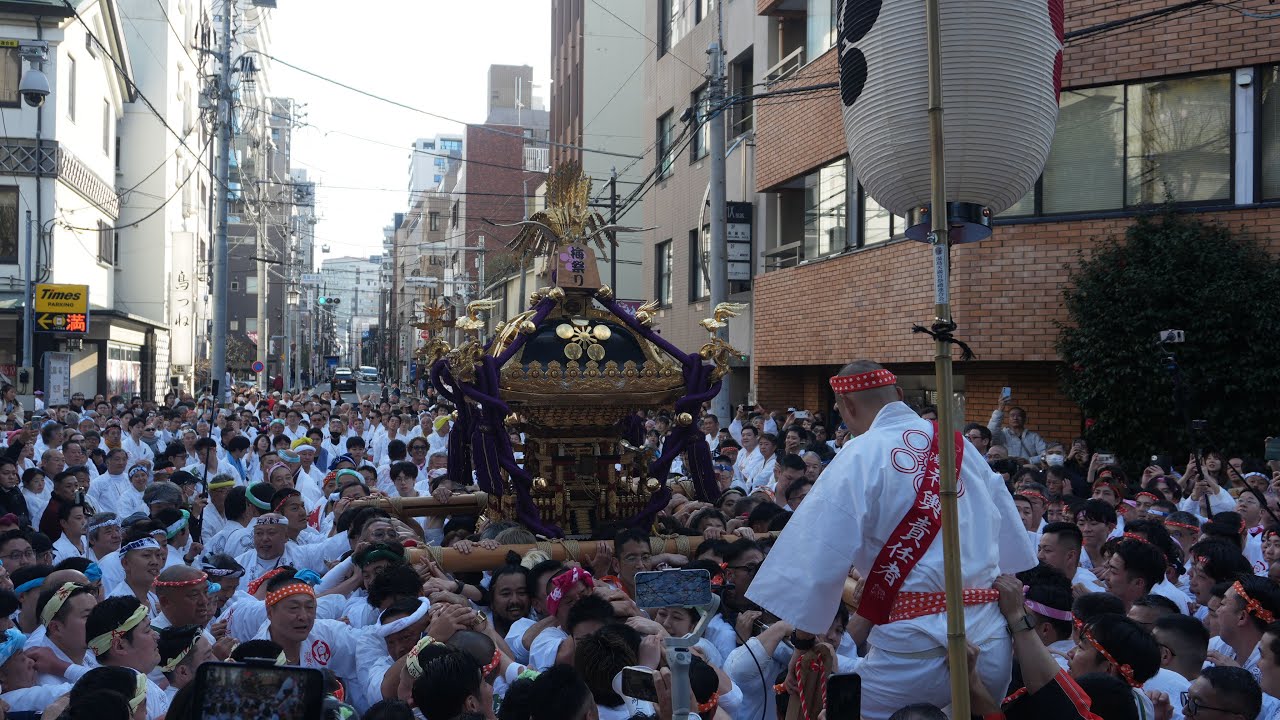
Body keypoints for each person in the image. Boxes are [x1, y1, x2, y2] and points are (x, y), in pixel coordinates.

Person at [747, 361, 1036, 719]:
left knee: (833, 712)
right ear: (898, 395)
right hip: (990, 640)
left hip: (915, 650)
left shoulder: (859, 453)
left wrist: (804, 642)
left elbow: (819, 555)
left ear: (846, 405)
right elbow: (1009, 545)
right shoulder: (961, 446)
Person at [84, 595, 170, 719]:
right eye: (147, 631)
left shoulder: (86, 688)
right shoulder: (140, 690)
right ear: (119, 646)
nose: (156, 636)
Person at [988, 394, 1047, 464]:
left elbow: (1046, 455)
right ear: (1008, 419)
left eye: (1019, 415)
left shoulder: (1034, 437)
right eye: (1012, 415)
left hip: (1027, 470)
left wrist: (1029, 461)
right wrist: (1000, 408)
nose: (1015, 418)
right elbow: (991, 432)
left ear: (1024, 419)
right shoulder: (1002, 435)